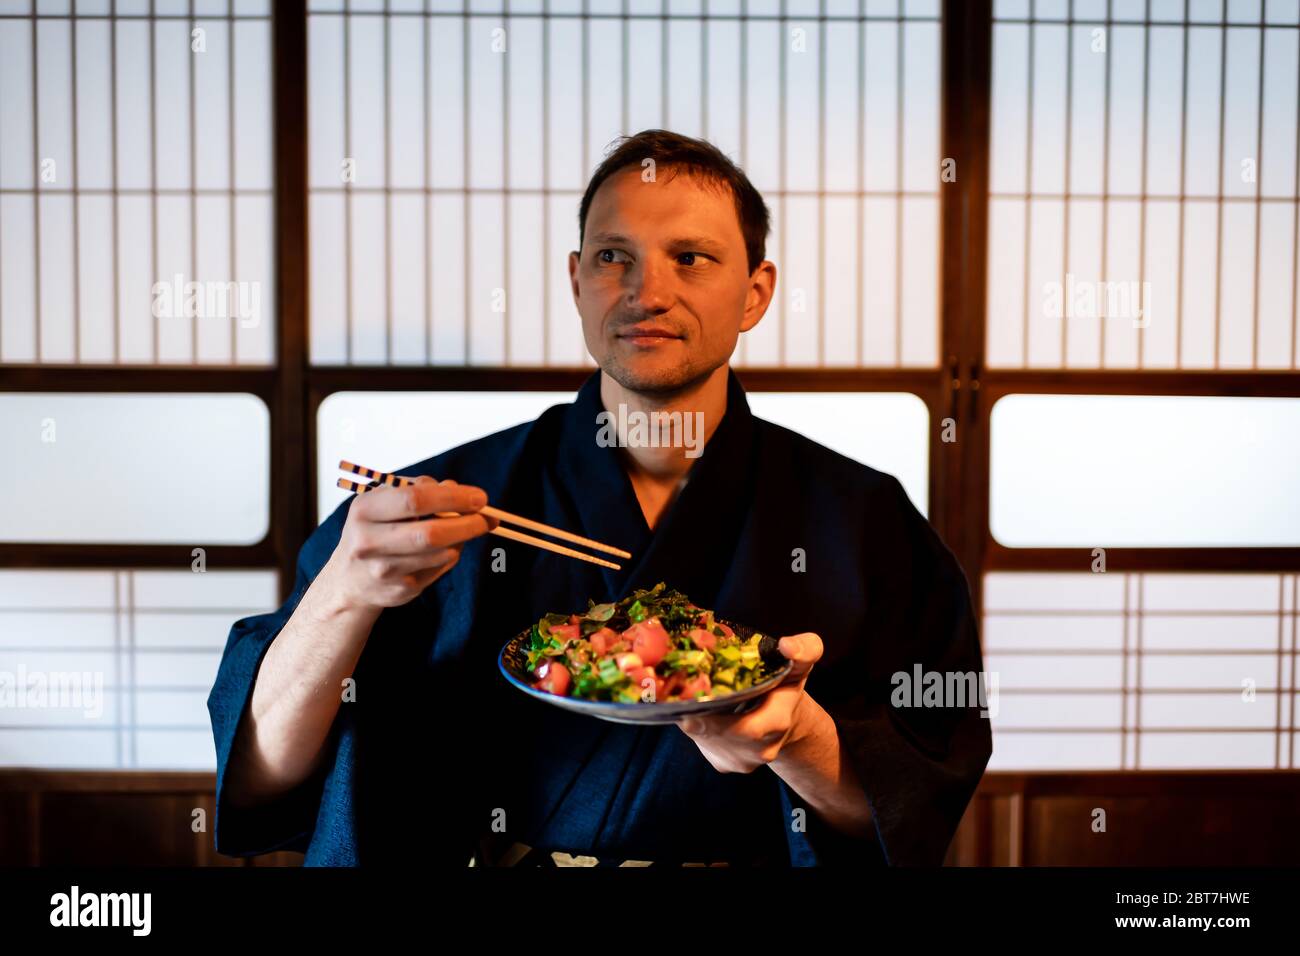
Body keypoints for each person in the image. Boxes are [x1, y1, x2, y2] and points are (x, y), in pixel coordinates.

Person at [207, 129, 992, 866]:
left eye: (691, 258)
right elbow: (261, 780)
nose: (647, 291)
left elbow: (916, 807)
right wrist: (342, 598)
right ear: (577, 279)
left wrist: (801, 739)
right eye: (614, 256)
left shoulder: (865, 520)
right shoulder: (442, 509)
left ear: (756, 294)